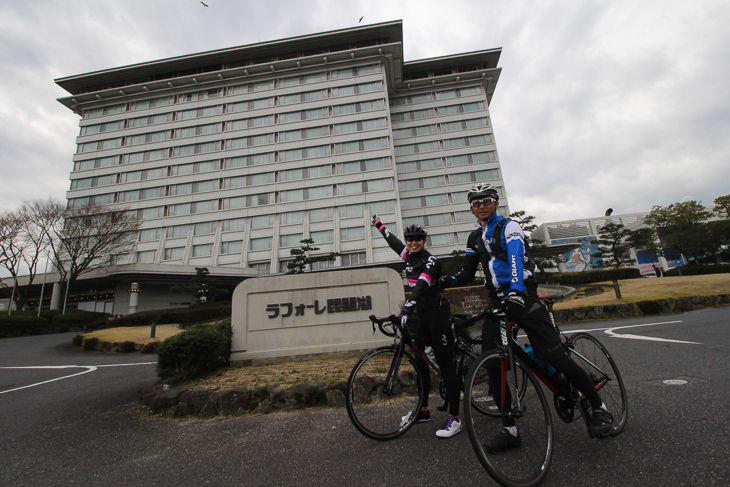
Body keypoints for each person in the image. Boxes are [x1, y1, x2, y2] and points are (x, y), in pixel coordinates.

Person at [438, 182, 614, 451]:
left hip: (524, 294)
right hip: (497, 298)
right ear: (471, 209)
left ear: (496, 203)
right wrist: (444, 281)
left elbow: (516, 259)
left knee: (553, 356)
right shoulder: (474, 238)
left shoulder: (510, 226)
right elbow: (466, 272)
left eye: (486, 201)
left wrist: (518, 290)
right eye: (475, 203)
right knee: (494, 366)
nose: (481, 206)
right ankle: (510, 429)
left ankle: (598, 406)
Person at [371, 215, 462, 438]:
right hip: (423, 316)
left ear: (424, 240)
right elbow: (393, 241)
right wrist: (379, 225)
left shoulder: (431, 262)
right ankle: (423, 411)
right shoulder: (407, 256)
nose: (413, 243)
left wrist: (407, 309)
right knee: (420, 363)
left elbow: (421, 285)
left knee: (446, 365)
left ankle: (455, 419)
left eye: (417, 239)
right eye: (410, 239)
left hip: (438, 315)